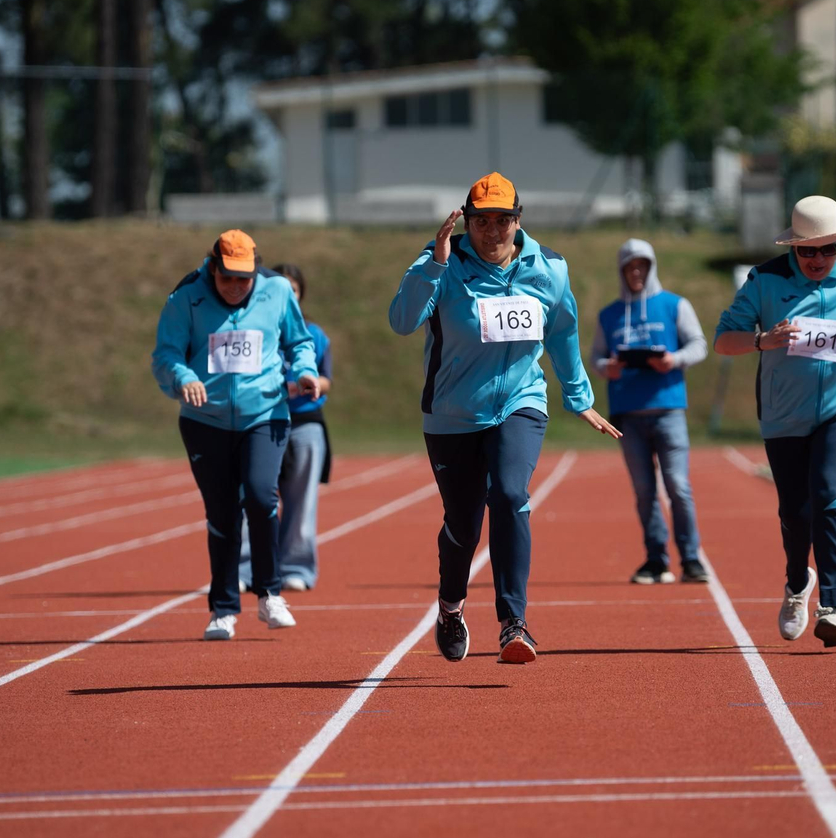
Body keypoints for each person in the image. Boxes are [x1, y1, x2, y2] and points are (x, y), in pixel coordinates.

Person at [389, 171, 621, 665]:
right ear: (465, 222)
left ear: (518, 220)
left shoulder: (549, 268)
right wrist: (434, 264)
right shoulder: (442, 262)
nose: (491, 232)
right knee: (463, 525)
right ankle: (450, 606)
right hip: (453, 414)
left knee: (511, 495)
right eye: (481, 222)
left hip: (520, 402)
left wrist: (578, 397)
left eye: (502, 221)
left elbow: (562, 330)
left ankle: (514, 622)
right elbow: (402, 321)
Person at [712, 195, 836, 648]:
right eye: (807, 251)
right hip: (784, 411)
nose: (818, 259)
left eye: (828, 249)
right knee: (795, 511)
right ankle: (797, 581)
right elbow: (723, 340)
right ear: (793, 248)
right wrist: (763, 340)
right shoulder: (766, 280)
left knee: (828, 491)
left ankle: (832, 606)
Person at [152, 230, 319, 642]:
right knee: (223, 514)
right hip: (204, 420)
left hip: (264, 414)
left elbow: (300, 341)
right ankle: (223, 609)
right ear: (213, 267)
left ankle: (270, 593)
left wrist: (305, 371)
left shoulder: (277, 291)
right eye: (227, 277)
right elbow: (165, 354)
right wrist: (183, 377)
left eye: (243, 278)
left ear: (255, 271)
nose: (235, 286)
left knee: (261, 497)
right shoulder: (185, 297)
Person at [591, 239, 711, 586]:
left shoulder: (675, 305)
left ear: (651, 267)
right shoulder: (609, 315)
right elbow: (596, 356)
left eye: (642, 265)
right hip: (628, 414)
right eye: (630, 267)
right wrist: (607, 367)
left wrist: (673, 360)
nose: (636, 273)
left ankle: (691, 559)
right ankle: (656, 560)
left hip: (668, 409)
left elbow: (699, 345)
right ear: (622, 271)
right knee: (644, 491)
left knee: (678, 486)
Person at [236, 263, 333, 592]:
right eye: (279, 289)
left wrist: (307, 384)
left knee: (301, 501)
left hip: (304, 424)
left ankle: (296, 567)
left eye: (293, 289)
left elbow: (326, 379)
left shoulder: (314, 334)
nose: (286, 295)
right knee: (252, 497)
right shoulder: (251, 331)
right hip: (259, 422)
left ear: (301, 294)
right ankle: (246, 569)